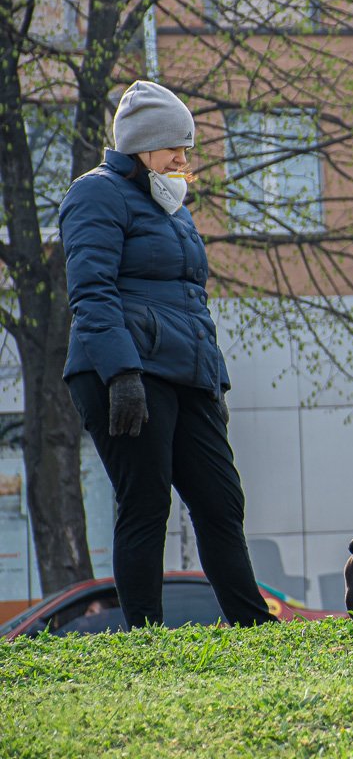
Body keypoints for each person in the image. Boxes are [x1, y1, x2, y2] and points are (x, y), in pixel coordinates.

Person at [60, 80, 277, 627]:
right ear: (140, 144)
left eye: (187, 145)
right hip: (123, 370)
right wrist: (122, 374)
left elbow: (191, 302)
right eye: (175, 145)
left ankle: (254, 628)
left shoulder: (172, 206)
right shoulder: (95, 193)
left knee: (221, 502)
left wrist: (214, 384)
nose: (185, 157)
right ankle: (146, 639)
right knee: (146, 504)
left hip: (184, 374)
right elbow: (91, 293)